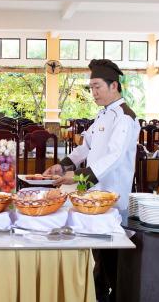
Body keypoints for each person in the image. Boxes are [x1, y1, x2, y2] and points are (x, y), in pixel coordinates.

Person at [43, 58, 140, 301]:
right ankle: (98, 293)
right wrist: (63, 166)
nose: (93, 92)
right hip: (94, 194)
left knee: (112, 258)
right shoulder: (103, 115)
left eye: (97, 86)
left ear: (114, 86)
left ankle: (112, 295)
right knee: (98, 253)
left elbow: (114, 157)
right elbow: (86, 146)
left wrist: (77, 178)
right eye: (91, 87)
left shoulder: (125, 117)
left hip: (113, 196)